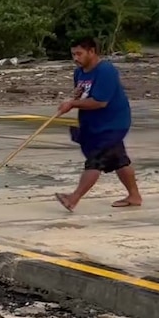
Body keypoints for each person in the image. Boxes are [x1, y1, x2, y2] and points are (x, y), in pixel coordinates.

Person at [54, 36, 143, 211]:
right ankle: (134, 196)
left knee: (95, 160)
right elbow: (84, 95)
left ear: (92, 51)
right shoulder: (79, 72)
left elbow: (100, 102)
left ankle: (74, 198)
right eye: (73, 54)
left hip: (112, 124)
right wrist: (75, 97)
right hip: (94, 124)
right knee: (119, 160)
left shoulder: (106, 71)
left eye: (79, 54)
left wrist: (72, 103)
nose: (76, 58)